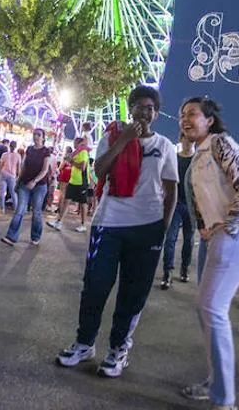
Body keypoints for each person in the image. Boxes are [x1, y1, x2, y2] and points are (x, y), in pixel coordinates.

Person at [55, 86, 177, 379]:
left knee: (132, 294)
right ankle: (84, 343)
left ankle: (118, 348)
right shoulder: (110, 138)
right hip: (109, 222)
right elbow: (98, 170)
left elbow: (171, 192)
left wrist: (163, 228)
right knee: (95, 287)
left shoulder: (165, 146)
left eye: (150, 108)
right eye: (139, 107)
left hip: (147, 227)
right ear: (130, 109)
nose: (145, 113)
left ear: (156, 114)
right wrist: (124, 140)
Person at [174, 96, 239, 410]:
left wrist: (229, 226)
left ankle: (224, 401)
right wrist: (203, 229)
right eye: (183, 114)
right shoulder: (198, 155)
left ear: (209, 119)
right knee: (207, 310)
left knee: (211, 307)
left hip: (236, 234)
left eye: (193, 114)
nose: (186, 119)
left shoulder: (221, 144)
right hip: (215, 236)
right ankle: (215, 382)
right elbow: (198, 198)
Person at [1, 128, 52, 246]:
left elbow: (45, 170)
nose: (36, 137)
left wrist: (35, 181)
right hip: (25, 183)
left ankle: (35, 236)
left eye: (38, 135)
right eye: (34, 134)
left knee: (36, 211)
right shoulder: (29, 149)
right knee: (20, 209)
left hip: (39, 185)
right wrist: (18, 181)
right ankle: (11, 236)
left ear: (43, 138)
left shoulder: (46, 151)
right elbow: (24, 166)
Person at [161, 131, 195, 289]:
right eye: (186, 139)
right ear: (181, 139)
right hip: (175, 204)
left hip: (192, 206)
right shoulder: (174, 158)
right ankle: (167, 272)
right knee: (170, 239)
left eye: (191, 140)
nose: (189, 142)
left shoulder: (198, 161)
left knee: (188, 240)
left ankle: (184, 268)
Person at [49, 136, 90, 232]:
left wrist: (72, 161)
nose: (74, 144)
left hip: (81, 182)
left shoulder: (83, 152)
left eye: (75, 142)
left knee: (83, 203)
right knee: (66, 201)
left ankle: (83, 224)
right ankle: (59, 222)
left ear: (79, 143)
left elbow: (83, 167)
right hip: (73, 181)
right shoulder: (77, 152)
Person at [0, 139, 21, 211]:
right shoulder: (18, 156)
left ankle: (2, 208)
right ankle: (16, 208)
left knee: (2, 192)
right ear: (16, 147)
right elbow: (18, 168)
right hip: (12, 175)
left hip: (3, 173)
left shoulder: (4, 154)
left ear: (9, 146)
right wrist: (18, 176)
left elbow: (1, 165)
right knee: (13, 193)